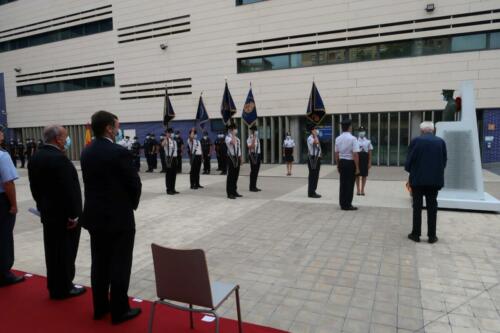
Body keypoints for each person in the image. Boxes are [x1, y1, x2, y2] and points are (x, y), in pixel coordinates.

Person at [81, 110, 142, 324]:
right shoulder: (119, 152)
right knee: (120, 265)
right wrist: (131, 205)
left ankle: (100, 307)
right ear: (108, 127)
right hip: (118, 219)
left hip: (95, 218)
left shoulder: (86, 152)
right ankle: (119, 310)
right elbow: (134, 183)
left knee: (99, 264)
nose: (118, 130)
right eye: (117, 126)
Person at [28, 125, 85, 299]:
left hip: (48, 214)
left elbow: (34, 187)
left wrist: (42, 205)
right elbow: (69, 190)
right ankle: (65, 287)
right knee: (65, 252)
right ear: (58, 139)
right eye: (65, 137)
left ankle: (54, 286)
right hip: (64, 218)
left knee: (52, 252)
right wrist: (73, 215)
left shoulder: (36, 156)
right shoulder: (59, 159)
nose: (67, 140)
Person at [405, 121, 447, 244]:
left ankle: (416, 234)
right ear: (433, 130)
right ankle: (432, 236)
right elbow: (444, 161)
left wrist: (410, 171)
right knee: (432, 207)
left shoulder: (416, 141)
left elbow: (409, 161)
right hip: (434, 181)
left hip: (417, 180)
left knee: (417, 206)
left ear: (422, 130)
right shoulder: (440, 142)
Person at [0, 125, 25, 287]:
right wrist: (14, 205)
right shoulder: (2, 156)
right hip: (1, 201)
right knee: (4, 237)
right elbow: (8, 183)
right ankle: (4, 273)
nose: (2, 134)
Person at [335, 119, 360, 210]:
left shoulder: (337, 138)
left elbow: (336, 154)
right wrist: (357, 167)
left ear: (342, 128)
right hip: (350, 163)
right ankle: (348, 204)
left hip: (342, 162)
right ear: (349, 127)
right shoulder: (353, 138)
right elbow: (355, 154)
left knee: (342, 183)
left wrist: (338, 165)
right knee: (350, 184)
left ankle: (342, 203)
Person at [225, 123, 242, 199]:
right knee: (231, 176)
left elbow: (239, 150)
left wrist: (240, 159)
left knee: (236, 175)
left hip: (237, 158)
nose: (236, 130)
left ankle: (234, 191)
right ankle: (230, 193)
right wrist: (233, 135)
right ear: (231, 130)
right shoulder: (228, 138)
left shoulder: (238, 139)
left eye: (236, 129)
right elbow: (233, 142)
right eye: (234, 129)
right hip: (231, 158)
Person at [355, 126, 373, 196]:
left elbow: (370, 152)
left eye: (363, 131)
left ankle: (362, 190)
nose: (361, 132)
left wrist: (369, 162)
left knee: (364, 175)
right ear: (358, 132)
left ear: (365, 132)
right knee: (357, 175)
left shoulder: (368, 141)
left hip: (365, 159)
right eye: (360, 131)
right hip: (357, 158)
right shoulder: (355, 140)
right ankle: (358, 190)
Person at [307, 125, 322, 198]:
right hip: (312, 158)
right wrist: (315, 135)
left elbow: (318, 147)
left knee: (316, 175)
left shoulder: (315, 137)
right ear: (312, 131)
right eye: (315, 129)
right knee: (313, 175)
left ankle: (313, 190)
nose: (317, 131)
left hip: (316, 158)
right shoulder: (310, 138)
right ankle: (311, 192)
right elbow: (316, 142)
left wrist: (320, 154)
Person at [162, 128, 178, 195]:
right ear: (167, 133)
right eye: (170, 133)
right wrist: (166, 137)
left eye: (171, 133)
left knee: (174, 174)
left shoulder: (174, 141)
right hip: (169, 159)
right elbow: (162, 144)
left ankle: (173, 188)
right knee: (169, 174)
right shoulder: (166, 140)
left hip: (174, 158)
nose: (171, 134)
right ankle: (169, 189)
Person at [247, 126, 261, 192]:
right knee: (253, 171)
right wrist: (254, 138)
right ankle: (251, 187)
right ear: (252, 131)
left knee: (256, 171)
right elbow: (251, 147)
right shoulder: (250, 138)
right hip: (253, 155)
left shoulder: (257, 138)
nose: (256, 131)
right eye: (255, 130)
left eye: (256, 130)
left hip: (258, 155)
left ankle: (254, 186)